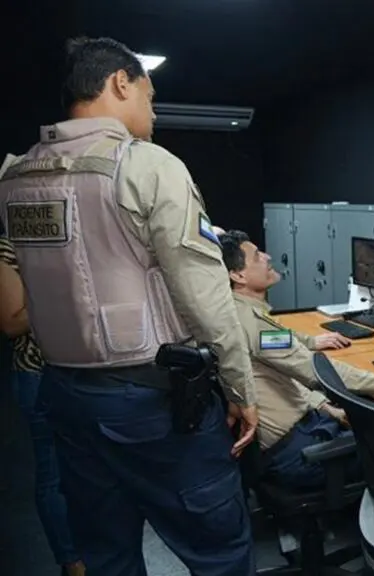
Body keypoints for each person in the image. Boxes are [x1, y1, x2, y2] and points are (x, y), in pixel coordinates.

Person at [0, 37, 259, 575]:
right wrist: (240, 388)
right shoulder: (147, 166)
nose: (153, 110)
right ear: (121, 82)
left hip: (65, 395)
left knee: (106, 553)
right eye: (151, 95)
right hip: (151, 399)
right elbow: (205, 295)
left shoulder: (17, 177)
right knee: (219, 550)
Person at [219, 229, 374, 488]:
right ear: (238, 275)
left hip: (291, 437)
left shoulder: (241, 314)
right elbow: (321, 373)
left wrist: (324, 404)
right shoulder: (255, 326)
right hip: (296, 453)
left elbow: (281, 351)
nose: (268, 256)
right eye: (257, 255)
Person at [0, 235, 84, 576]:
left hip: (81, 371)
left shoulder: (73, 238)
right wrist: (63, 293)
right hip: (38, 374)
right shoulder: (6, 247)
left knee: (90, 471)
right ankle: (73, 563)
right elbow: (12, 322)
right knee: (54, 473)